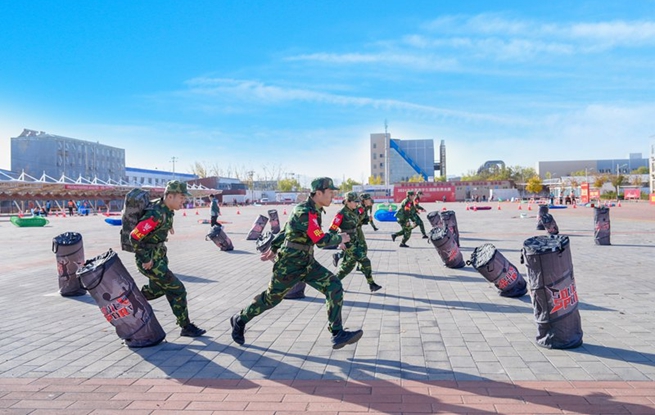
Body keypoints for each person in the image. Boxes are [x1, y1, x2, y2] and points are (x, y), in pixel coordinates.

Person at [230, 177, 363, 350]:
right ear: (319, 193)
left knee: (334, 286)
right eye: (330, 193)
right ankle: (240, 319)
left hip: (307, 262)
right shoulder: (305, 212)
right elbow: (320, 240)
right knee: (272, 299)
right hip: (290, 264)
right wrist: (340, 237)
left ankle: (337, 333)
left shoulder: (313, 210)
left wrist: (275, 246)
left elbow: (286, 229)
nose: (333, 196)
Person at [130, 180, 206, 338]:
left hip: (159, 257)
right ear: (170, 196)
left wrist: (167, 227)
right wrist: (145, 259)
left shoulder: (166, 209)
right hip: (151, 261)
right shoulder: (155, 214)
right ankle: (186, 326)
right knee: (177, 289)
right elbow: (135, 236)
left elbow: (161, 223)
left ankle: (132, 302)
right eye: (181, 198)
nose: (183, 201)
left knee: (157, 289)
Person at [329, 192, 382, 292]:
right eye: (355, 202)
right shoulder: (341, 213)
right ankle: (371, 284)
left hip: (356, 239)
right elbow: (332, 230)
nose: (357, 204)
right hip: (348, 242)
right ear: (348, 202)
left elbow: (360, 220)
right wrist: (340, 242)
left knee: (348, 266)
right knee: (365, 260)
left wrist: (367, 219)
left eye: (358, 201)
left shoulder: (355, 210)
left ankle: (332, 284)